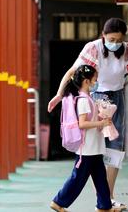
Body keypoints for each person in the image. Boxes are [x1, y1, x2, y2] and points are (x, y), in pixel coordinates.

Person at [48, 18, 128, 210]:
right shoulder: (92, 48)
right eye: (111, 39)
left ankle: (107, 198)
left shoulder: (127, 50)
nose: (115, 43)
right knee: (94, 149)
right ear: (103, 36)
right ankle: (104, 201)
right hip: (95, 96)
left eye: (119, 39)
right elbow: (72, 72)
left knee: (116, 146)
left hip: (117, 97)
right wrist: (59, 95)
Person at [50, 64, 117, 212]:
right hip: (87, 149)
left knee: (100, 178)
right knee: (77, 179)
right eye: (95, 80)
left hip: (93, 147)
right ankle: (58, 202)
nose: (96, 83)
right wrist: (101, 122)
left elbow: (89, 120)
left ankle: (104, 206)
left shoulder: (88, 98)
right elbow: (82, 124)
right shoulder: (83, 100)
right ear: (86, 81)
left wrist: (101, 118)